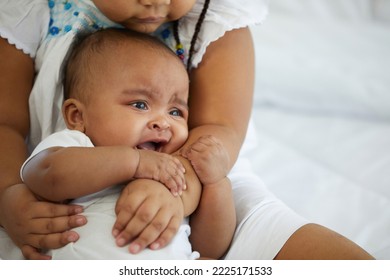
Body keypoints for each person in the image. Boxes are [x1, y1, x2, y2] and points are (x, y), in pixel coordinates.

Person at [0, 0, 374, 260]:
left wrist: (173, 187)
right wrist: (8, 199)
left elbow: (218, 129)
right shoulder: (32, 10)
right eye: (141, 104)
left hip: (198, 176)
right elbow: (7, 125)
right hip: (46, 187)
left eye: (175, 109)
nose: (157, 2)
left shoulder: (214, 16)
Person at [19, 27, 234, 259]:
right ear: (78, 117)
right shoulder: (77, 145)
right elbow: (46, 175)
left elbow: (211, 248)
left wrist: (216, 183)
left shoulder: (176, 172)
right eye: (140, 105)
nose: (163, 122)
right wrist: (135, 162)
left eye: (175, 111)